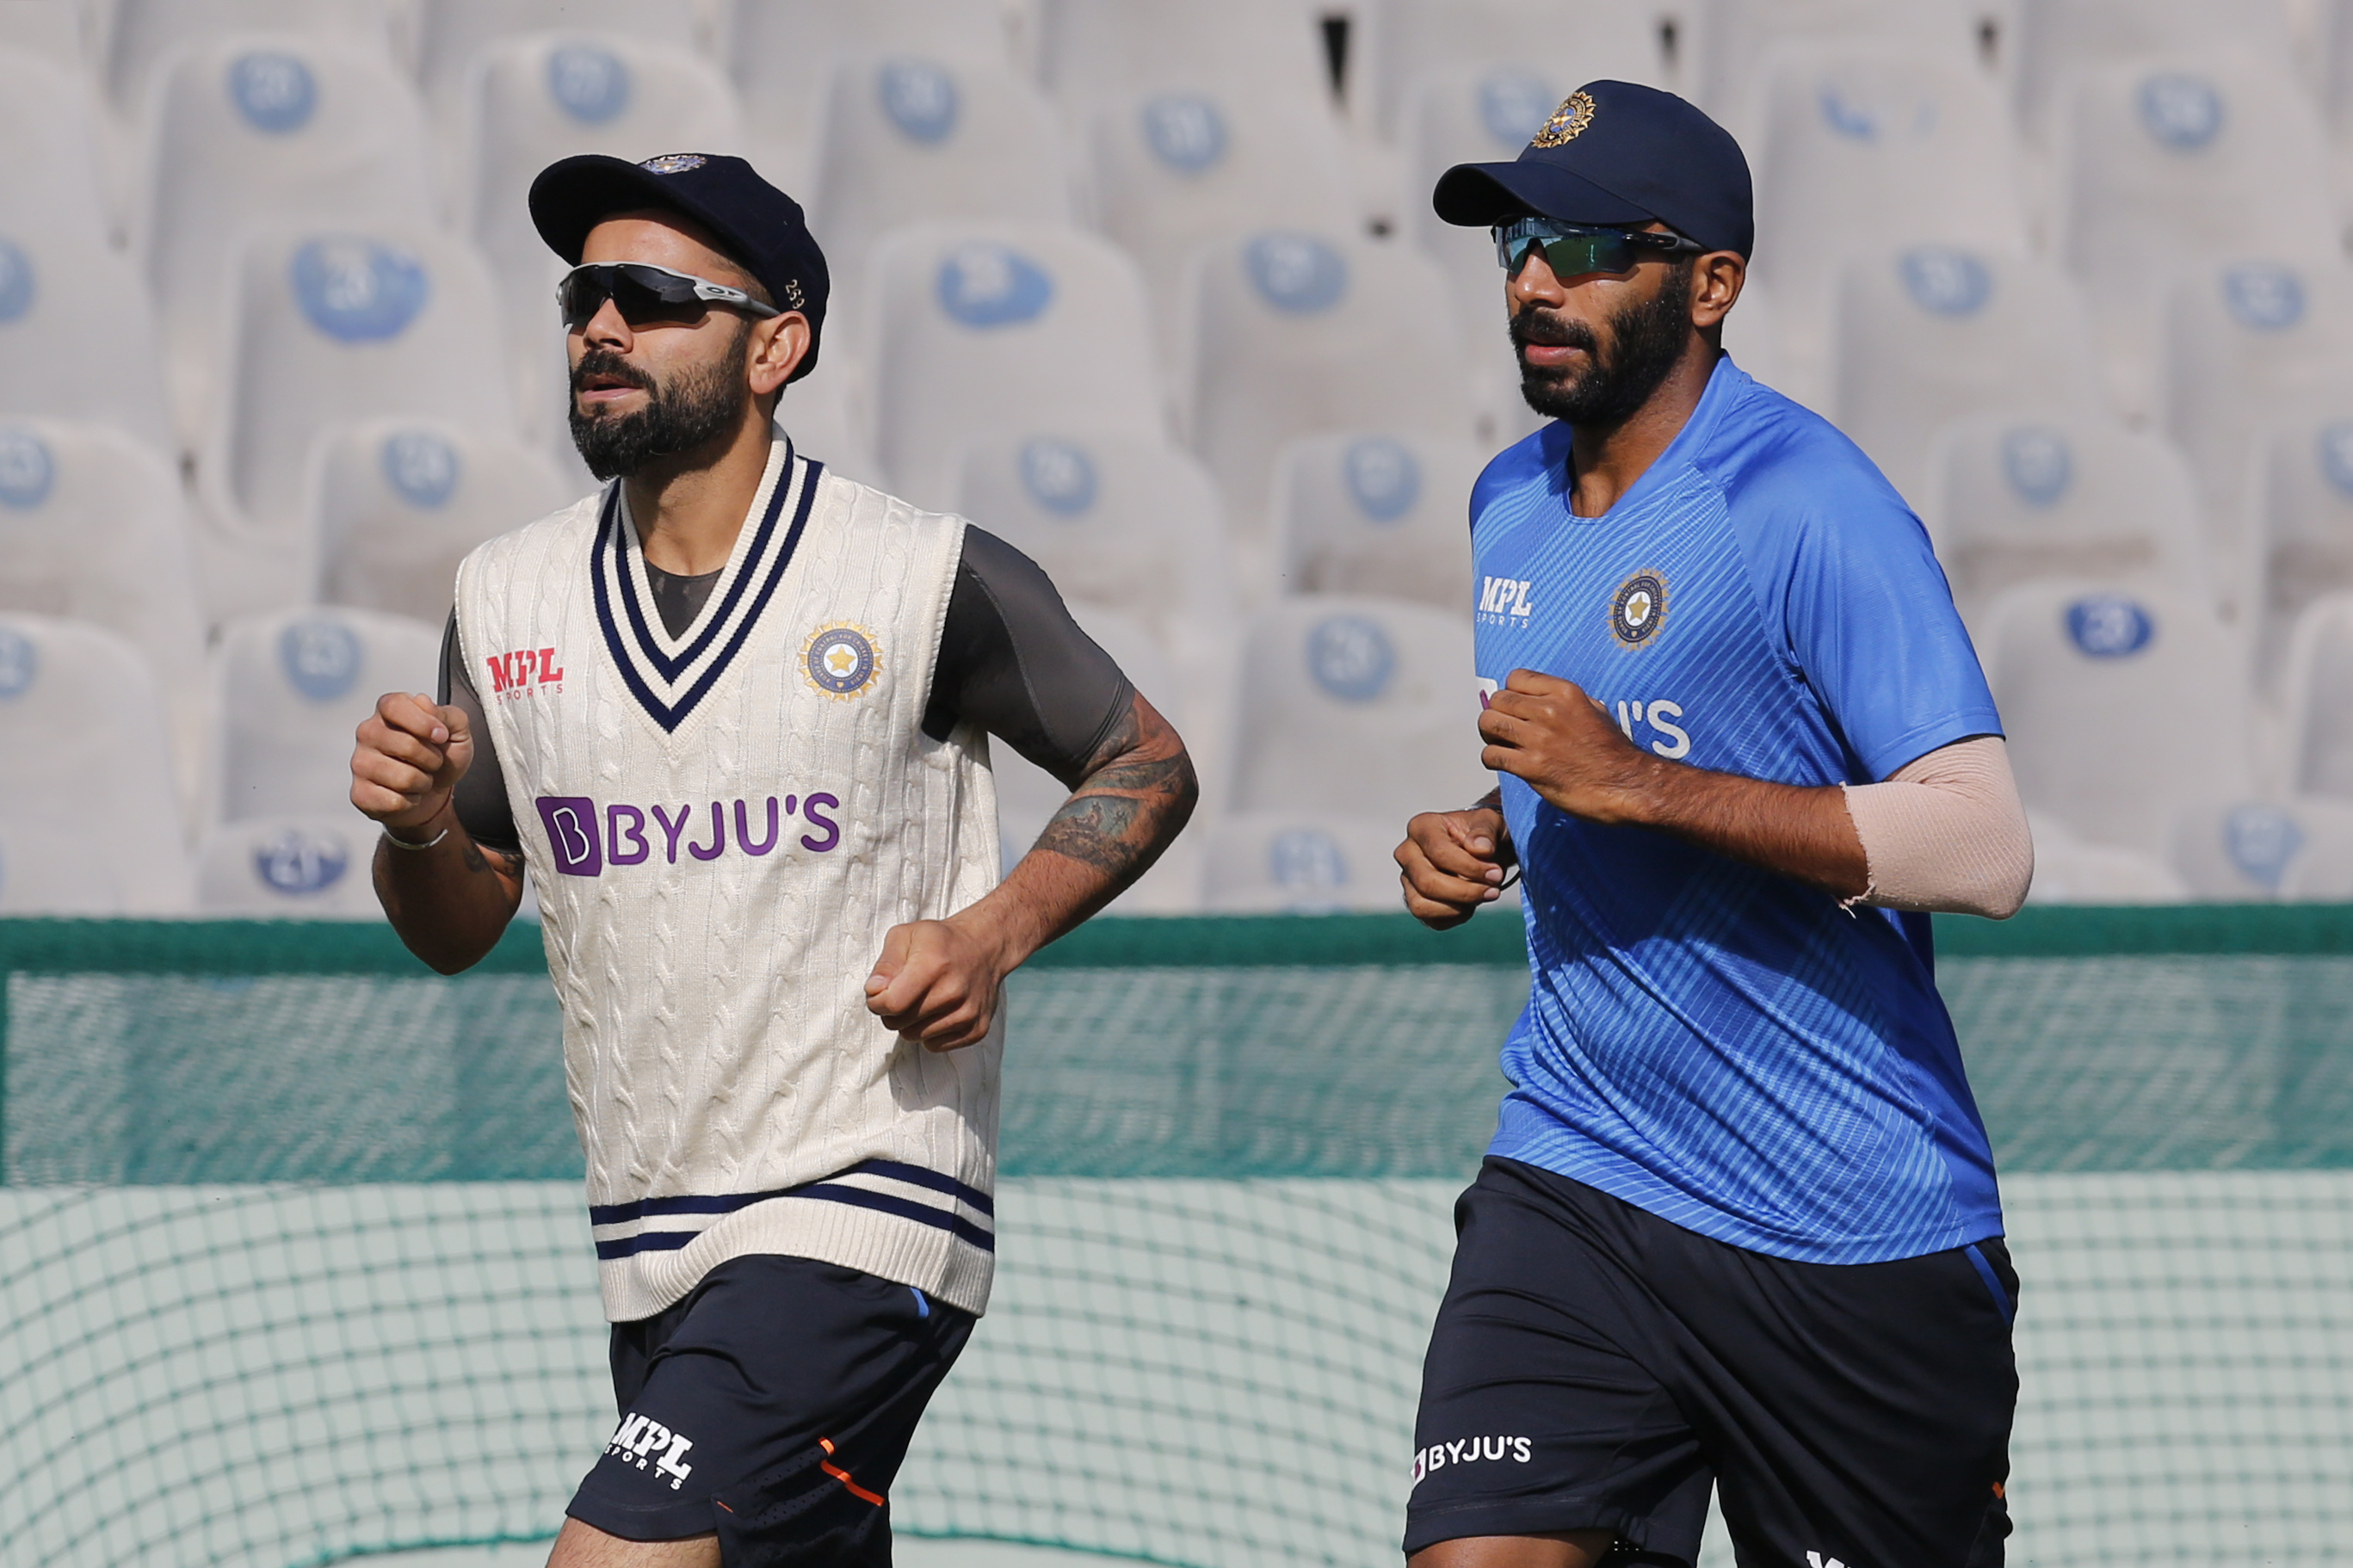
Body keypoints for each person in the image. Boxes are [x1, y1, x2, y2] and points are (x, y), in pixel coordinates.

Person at [347, 152, 1196, 1568]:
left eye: (652, 298)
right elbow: (454, 925)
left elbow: (1147, 759)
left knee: (612, 1558)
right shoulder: (501, 596)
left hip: (866, 1205)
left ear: (776, 344)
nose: (601, 327)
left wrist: (993, 930)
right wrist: (420, 825)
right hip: (649, 1244)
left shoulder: (924, 575)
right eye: (584, 295)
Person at [1392, 82, 2035, 1568]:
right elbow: (1608, 752)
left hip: (1847, 1230)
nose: (1532, 280)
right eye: (1513, 244)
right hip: (1579, 1168)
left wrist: (1641, 787)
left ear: (1710, 283)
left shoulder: (1808, 500)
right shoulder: (1506, 500)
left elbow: (1983, 846)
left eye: (1583, 245)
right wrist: (1478, 827)